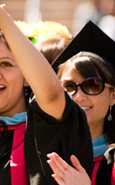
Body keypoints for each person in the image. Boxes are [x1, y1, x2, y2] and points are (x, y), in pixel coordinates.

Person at [0, 0, 92, 185]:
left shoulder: (50, 127)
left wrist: (3, 19)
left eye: (5, 64)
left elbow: (51, 93)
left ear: (27, 76)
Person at [46, 21, 115, 185]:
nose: (78, 96)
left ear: (113, 96)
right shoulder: (42, 153)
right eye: (68, 87)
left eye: (92, 85)